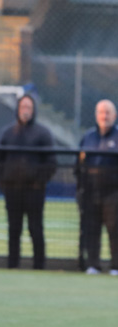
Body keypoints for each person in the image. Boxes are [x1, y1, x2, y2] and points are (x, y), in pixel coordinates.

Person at [0, 94, 56, 269]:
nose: (26, 111)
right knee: (14, 228)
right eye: (23, 107)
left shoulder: (43, 133)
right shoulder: (7, 133)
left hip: (34, 190)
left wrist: (39, 182)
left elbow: (51, 162)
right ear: (18, 110)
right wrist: (3, 181)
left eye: (29, 107)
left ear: (34, 110)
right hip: (12, 189)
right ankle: (12, 265)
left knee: (35, 228)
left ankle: (39, 265)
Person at [75, 99, 118, 275]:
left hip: (113, 193)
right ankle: (93, 265)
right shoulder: (88, 137)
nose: (104, 116)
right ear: (96, 115)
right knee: (91, 229)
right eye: (101, 112)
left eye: (108, 112)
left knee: (115, 229)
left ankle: (116, 266)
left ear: (114, 115)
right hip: (91, 192)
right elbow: (78, 163)